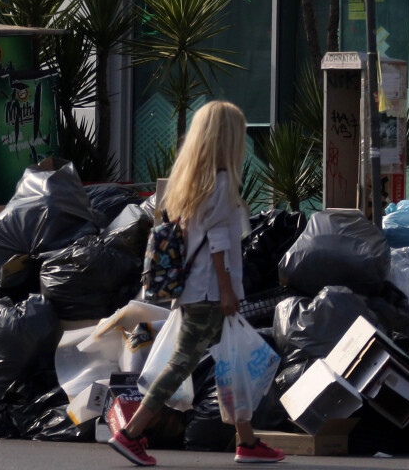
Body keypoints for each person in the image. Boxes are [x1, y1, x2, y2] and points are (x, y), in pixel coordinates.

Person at [108, 101, 284, 466]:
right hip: (209, 293)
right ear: (227, 139)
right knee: (182, 363)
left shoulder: (191, 183)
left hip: (195, 291)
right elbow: (219, 243)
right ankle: (131, 433)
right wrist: (228, 291)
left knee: (229, 364)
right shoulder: (221, 183)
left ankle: (247, 442)